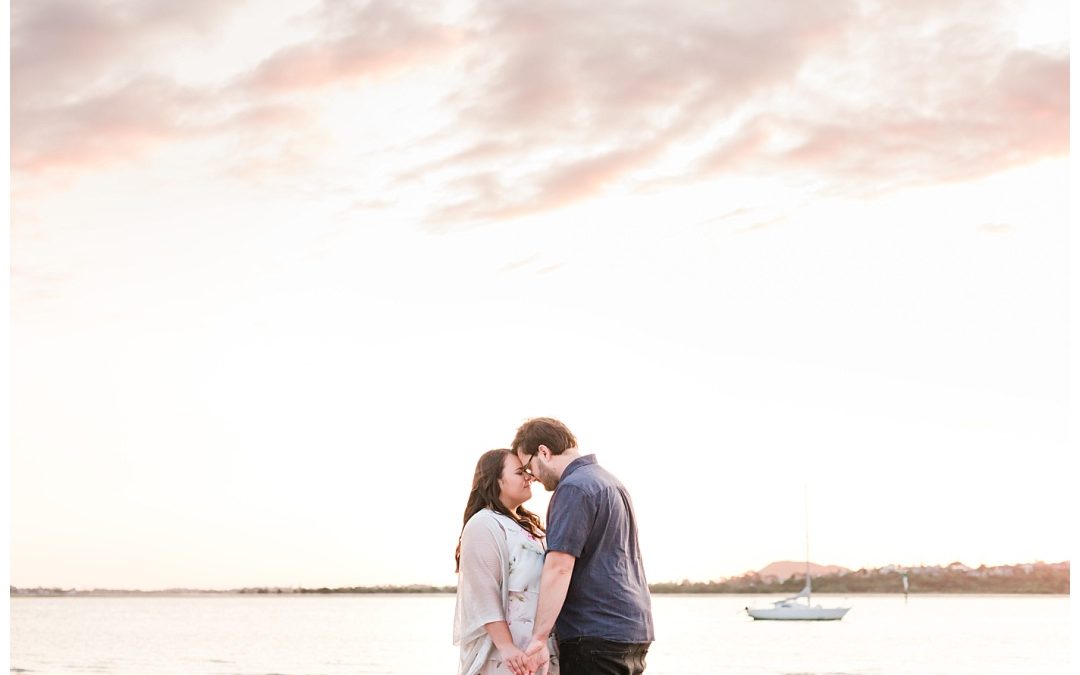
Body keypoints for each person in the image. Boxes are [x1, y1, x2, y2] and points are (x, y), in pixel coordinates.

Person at [513, 417, 654, 675]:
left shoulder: (573, 489)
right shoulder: (611, 483)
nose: (531, 477)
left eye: (528, 467)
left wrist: (539, 638)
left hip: (594, 635)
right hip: (633, 630)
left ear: (543, 452)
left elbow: (559, 568)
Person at [454, 449, 560, 675]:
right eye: (520, 472)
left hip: (538, 651)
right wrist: (507, 647)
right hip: (506, 656)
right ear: (496, 480)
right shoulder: (484, 524)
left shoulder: (529, 527)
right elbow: (483, 593)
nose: (529, 477)